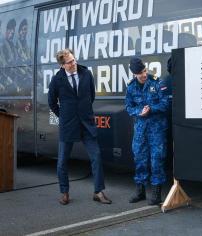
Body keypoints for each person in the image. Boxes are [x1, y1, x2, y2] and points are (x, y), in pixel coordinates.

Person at [48, 48, 111, 205]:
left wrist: (84, 111)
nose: (74, 63)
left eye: (74, 60)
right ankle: (64, 193)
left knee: (96, 156)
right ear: (62, 65)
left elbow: (92, 95)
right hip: (68, 125)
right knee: (62, 160)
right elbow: (51, 102)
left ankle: (98, 192)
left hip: (86, 123)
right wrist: (63, 116)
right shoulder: (57, 80)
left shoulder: (86, 74)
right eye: (69, 62)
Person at [125, 57, 169, 205]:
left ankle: (156, 194)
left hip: (156, 130)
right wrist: (139, 111)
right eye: (140, 73)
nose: (143, 75)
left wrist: (150, 110)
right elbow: (129, 107)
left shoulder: (157, 82)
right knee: (140, 160)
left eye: (144, 71)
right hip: (140, 131)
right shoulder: (131, 87)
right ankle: (140, 192)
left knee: (157, 160)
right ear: (134, 74)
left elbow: (165, 104)